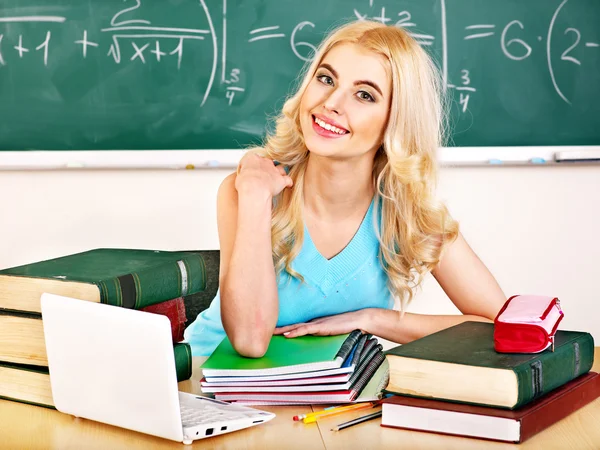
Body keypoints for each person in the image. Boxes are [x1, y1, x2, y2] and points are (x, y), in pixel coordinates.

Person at [184, 20, 506, 357]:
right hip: (206, 387)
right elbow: (250, 341)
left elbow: (500, 328)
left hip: (325, 402)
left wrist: (374, 319)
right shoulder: (252, 190)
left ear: (394, 120)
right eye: (326, 79)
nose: (332, 103)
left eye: (364, 94)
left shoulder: (407, 214)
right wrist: (253, 197)